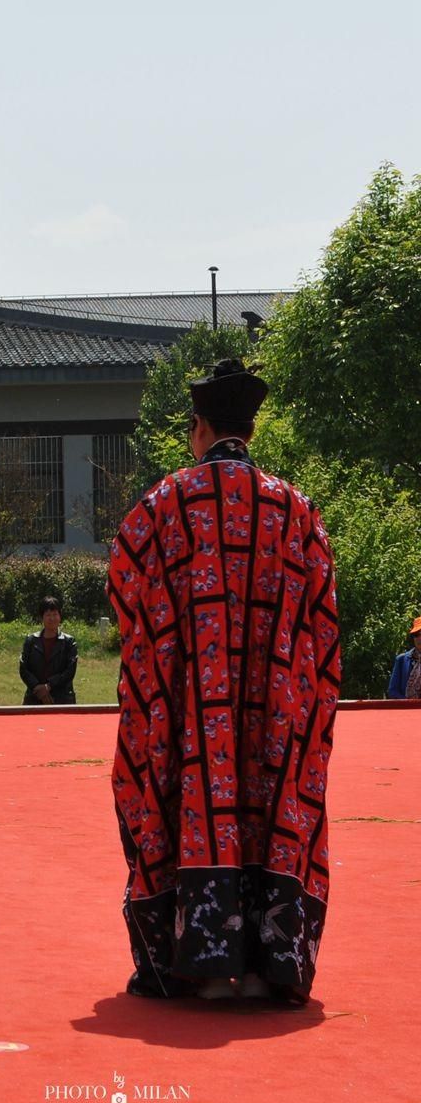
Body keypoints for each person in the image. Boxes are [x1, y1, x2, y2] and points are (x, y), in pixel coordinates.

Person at [110, 358, 340, 1004]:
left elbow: (125, 584)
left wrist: (178, 655)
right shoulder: (298, 511)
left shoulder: (163, 505)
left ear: (199, 429)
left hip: (191, 712)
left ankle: (199, 959)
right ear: (250, 428)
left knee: (180, 788)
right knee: (277, 789)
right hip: (274, 713)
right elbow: (324, 628)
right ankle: (273, 962)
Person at [19, 595, 79, 705]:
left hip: (62, 698)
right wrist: (39, 689)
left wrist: (49, 686)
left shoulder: (69, 642)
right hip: (34, 697)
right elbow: (24, 669)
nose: (52, 618)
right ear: (42, 617)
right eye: (48, 615)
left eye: (55, 614)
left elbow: (70, 671)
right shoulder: (31, 641)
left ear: (60, 616)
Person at [387, 616, 421, 699]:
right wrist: (409, 704)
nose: (419, 638)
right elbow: (392, 691)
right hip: (408, 710)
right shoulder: (401, 659)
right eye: (416, 635)